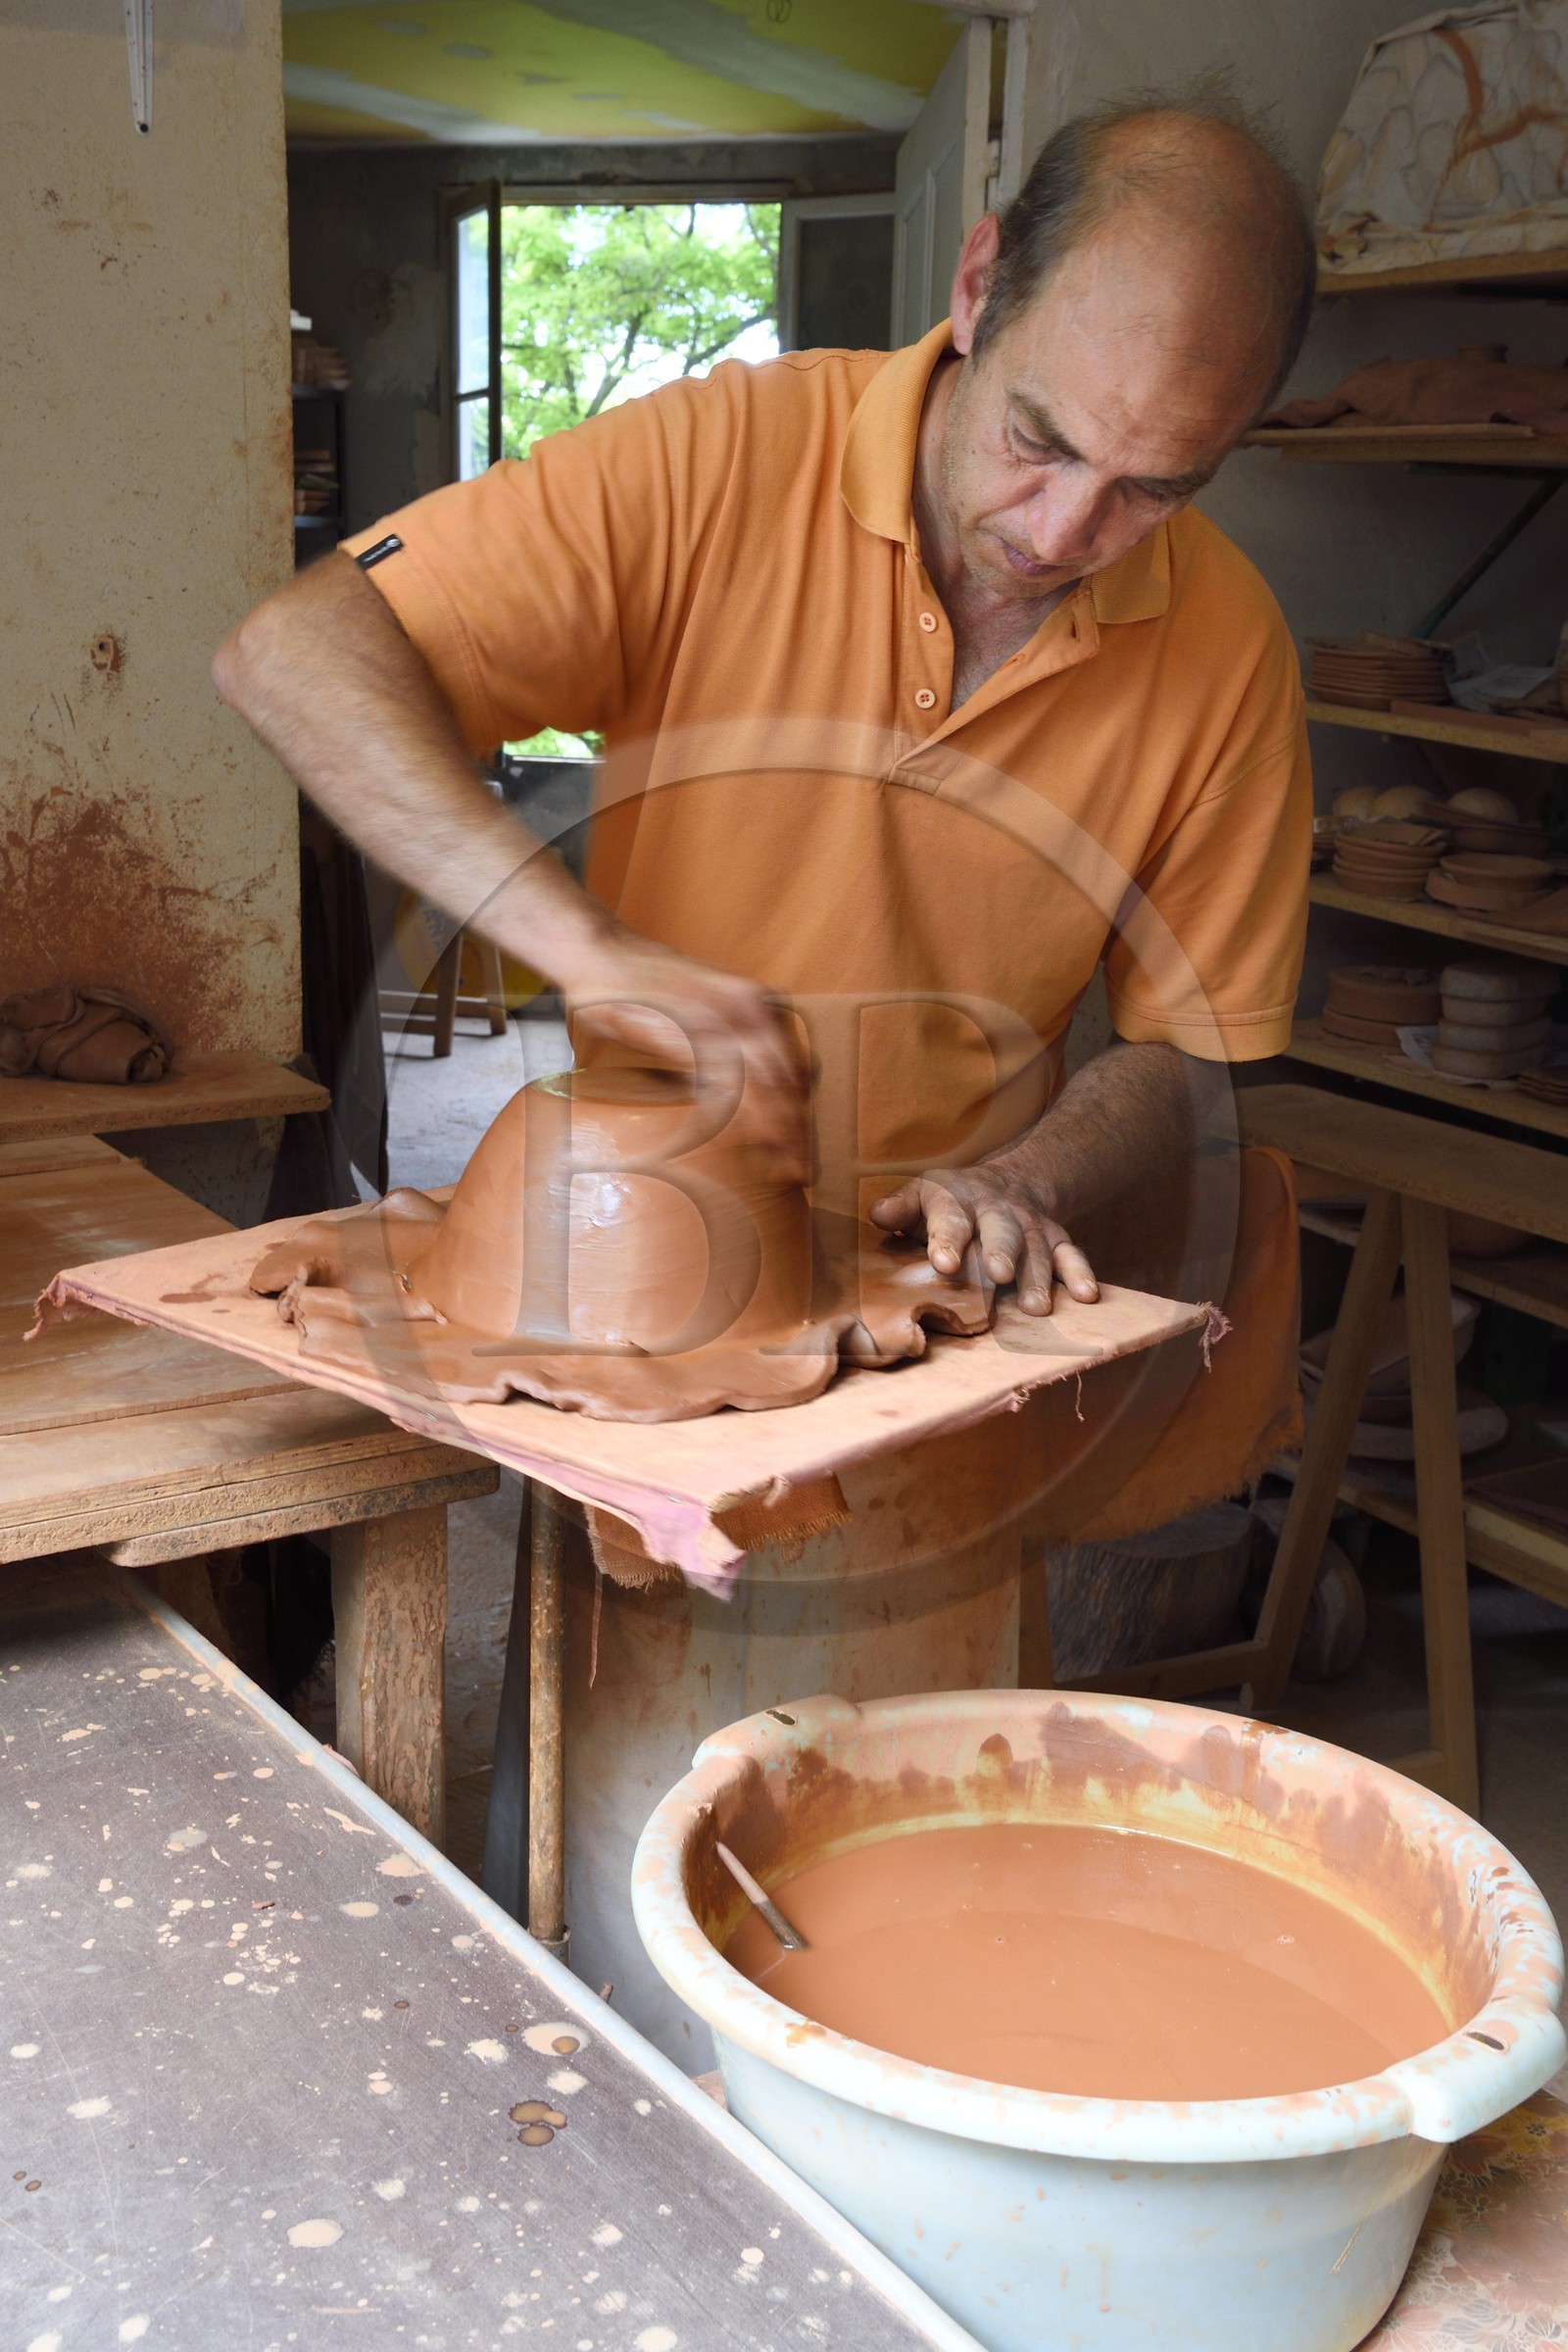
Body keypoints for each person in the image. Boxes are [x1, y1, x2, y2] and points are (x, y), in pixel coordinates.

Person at [216, 95, 1315, 1530]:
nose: (1059, 535)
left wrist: (1027, 1174)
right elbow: (290, 652)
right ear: (979, 286)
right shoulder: (717, 462)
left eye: (1148, 490)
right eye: (1039, 439)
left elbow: (1195, 1049)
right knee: (629, 1716)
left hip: (939, 1317)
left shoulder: (1230, 643)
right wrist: (594, 950)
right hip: (647, 1279)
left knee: (943, 1727)